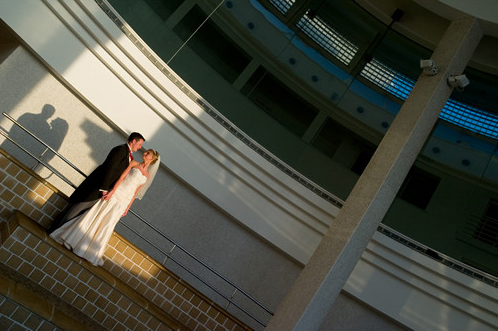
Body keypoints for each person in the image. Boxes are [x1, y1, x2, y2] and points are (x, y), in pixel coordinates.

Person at [50, 149, 160, 266]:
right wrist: (112, 191)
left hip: (124, 201)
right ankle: (74, 239)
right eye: (146, 152)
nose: (144, 153)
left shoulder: (147, 176)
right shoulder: (134, 164)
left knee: (108, 223)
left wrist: (128, 207)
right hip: (116, 193)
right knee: (98, 214)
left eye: (147, 153)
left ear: (152, 159)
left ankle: (90, 251)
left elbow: (135, 192)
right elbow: (122, 177)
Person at [48, 132, 145, 233]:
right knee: (76, 209)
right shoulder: (120, 150)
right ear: (133, 141)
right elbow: (109, 169)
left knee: (81, 212)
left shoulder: (127, 154)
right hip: (96, 187)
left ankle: (59, 232)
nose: (139, 148)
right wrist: (104, 189)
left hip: (101, 189)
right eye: (139, 145)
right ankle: (54, 230)